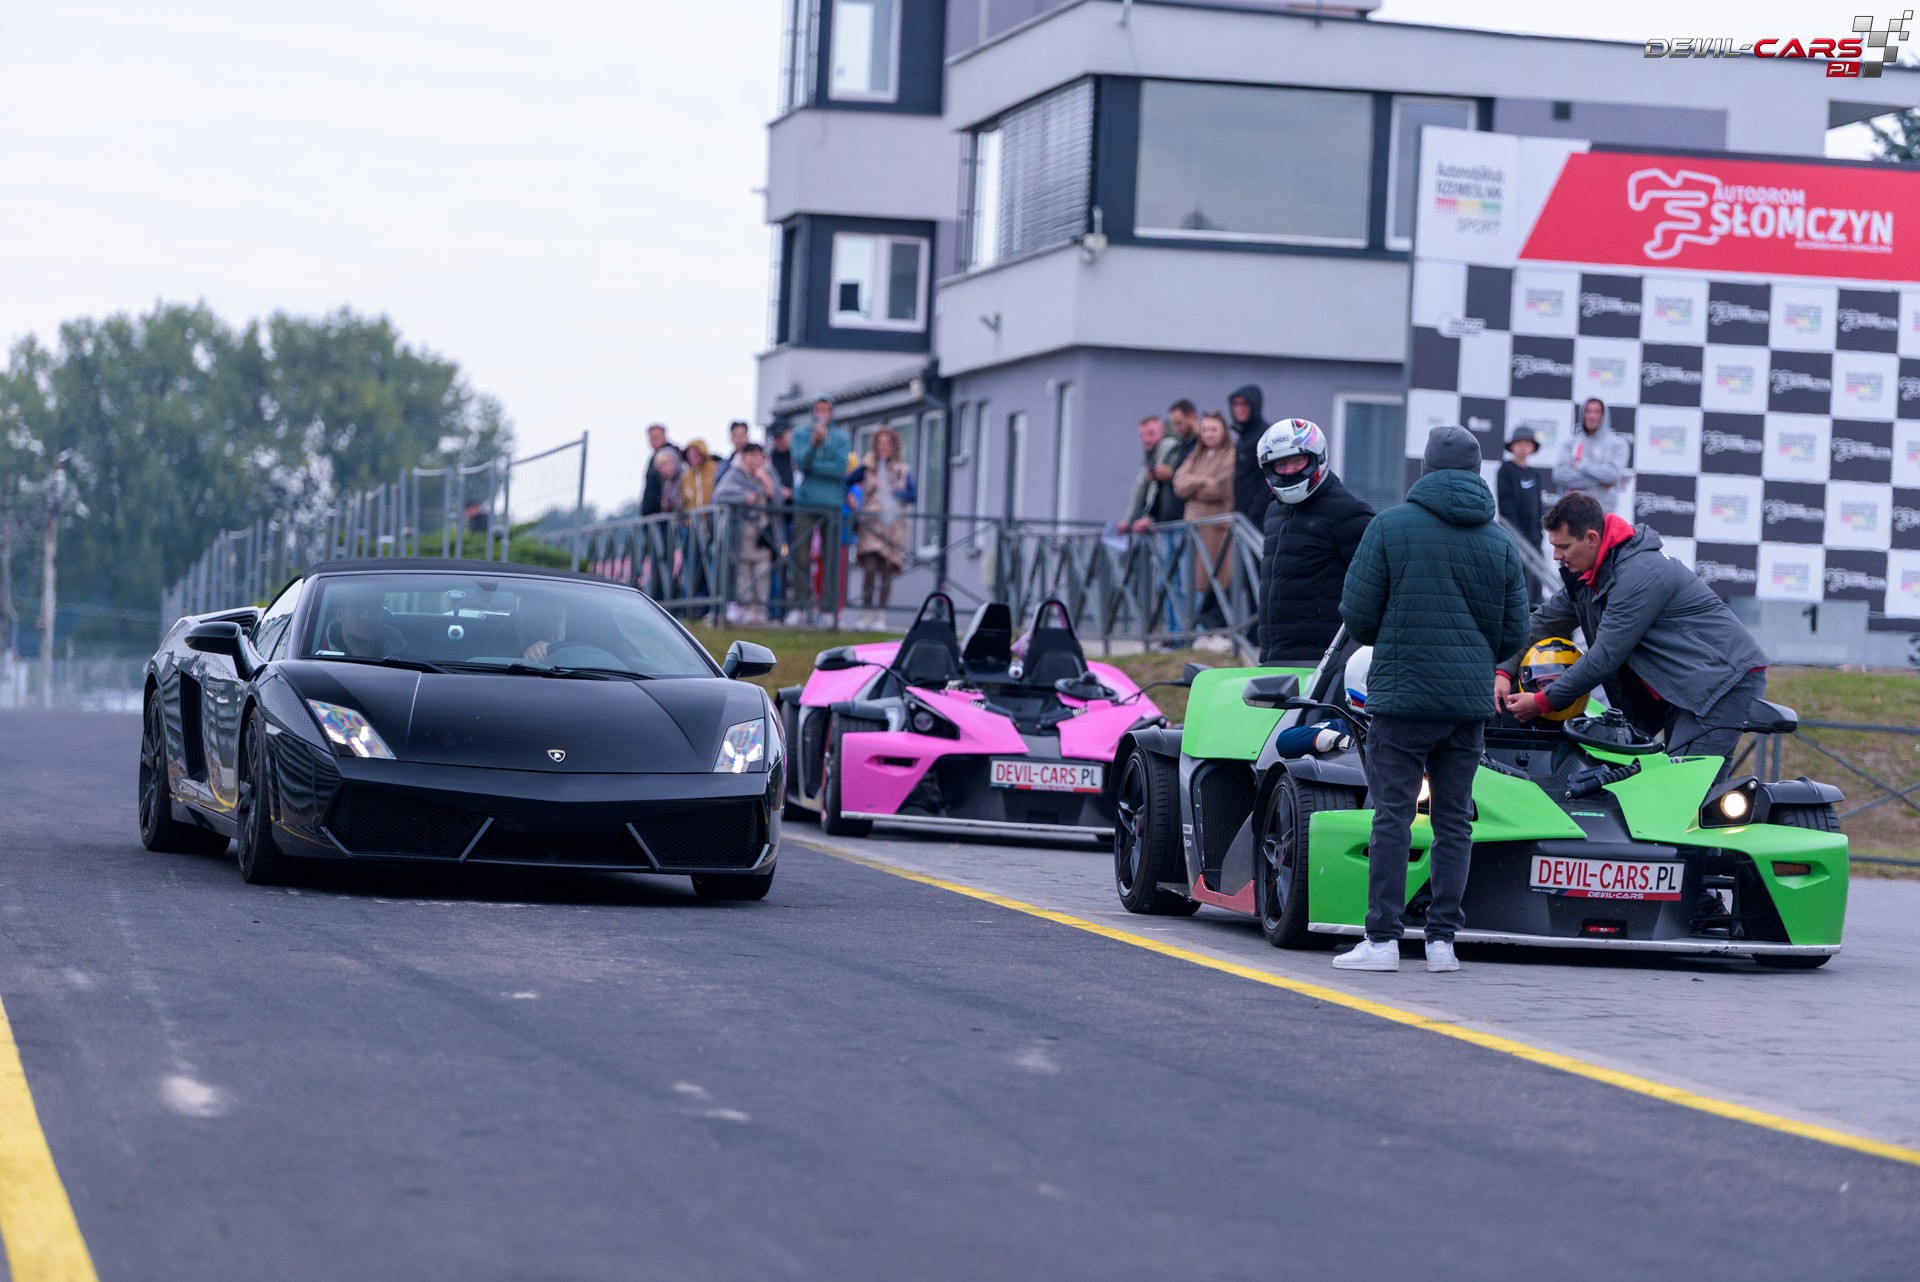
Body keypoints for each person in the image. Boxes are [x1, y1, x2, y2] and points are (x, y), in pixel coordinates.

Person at [1336, 425, 1531, 974]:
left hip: (1401, 698)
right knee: (1454, 821)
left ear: (1425, 470)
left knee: (1393, 818)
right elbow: (1516, 632)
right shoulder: (1499, 541)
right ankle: (1443, 942)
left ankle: (1382, 941)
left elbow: (1358, 617)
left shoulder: (1389, 525)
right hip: (1467, 705)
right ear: (1476, 472)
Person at [1498, 491, 1769, 772]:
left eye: (1563, 546)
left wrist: (1542, 701)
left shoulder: (1638, 574)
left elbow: (1603, 658)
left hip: (1721, 681)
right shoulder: (1592, 574)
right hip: (1690, 685)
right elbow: (1543, 623)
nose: (1556, 556)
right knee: (1677, 787)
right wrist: (1503, 670)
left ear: (1591, 538)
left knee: (1683, 786)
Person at [1254, 419, 1374, 664]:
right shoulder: (1275, 511)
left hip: (1325, 661)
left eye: (1297, 461)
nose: (1289, 470)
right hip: (1274, 657)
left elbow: (1378, 586)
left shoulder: (1348, 512)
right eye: (1281, 464)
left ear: (1317, 457)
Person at [789, 398, 853, 622]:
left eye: (827, 409)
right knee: (801, 556)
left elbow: (840, 468)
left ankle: (828, 610)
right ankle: (799, 606)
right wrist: (814, 445)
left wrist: (814, 467)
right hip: (805, 503)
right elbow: (800, 462)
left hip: (832, 503)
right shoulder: (800, 434)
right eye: (819, 409)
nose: (823, 412)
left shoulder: (842, 437)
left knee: (832, 558)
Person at [1172, 410, 1235, 630]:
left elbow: (1220, 488)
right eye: (1205, 429)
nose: (1209, 434)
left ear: (1223, 431)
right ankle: (1192, 630)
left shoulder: (1229, 455)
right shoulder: (1197, 455)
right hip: (1193, 529)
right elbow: (1179, 484)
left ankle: (1215, 630)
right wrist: (1204, 480)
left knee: (1216, 581)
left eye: (1213, 429)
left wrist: (1194, 486)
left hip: (1216, 530)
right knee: (1191, 581)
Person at [849, 426, 917, 630]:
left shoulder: (902, 470)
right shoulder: (867, 468)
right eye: (880, 444)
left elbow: (912, 495)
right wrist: (851, 499)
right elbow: (846, 482)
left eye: (887, 444)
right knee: (870, 568)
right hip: (870, 525)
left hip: (893, 526)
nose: (883, 447)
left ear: (894, 446)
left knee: (887, 570)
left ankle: (880, 617)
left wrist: (891, 492)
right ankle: (866, 614)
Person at [712, 441, 781, 624]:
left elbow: (777, 498)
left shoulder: (769, 472)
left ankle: (761, 610)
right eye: (751, 455)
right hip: (741, 536)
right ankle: (747, 610)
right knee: (744, 576)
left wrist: (764, 477)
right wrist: (744, 497)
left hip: (764, 536)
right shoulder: (735, 473)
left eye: (759, 455)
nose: (755, 459)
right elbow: (719, 495)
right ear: (743, 457)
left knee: (763, 573)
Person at [1554, 398, 1630, 515]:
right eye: (1587, 411)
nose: (1591, 416)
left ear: (1604, 415)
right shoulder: (1570, 444)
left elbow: (1613, 476)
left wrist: (1580, 466)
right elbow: (1559, 475)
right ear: (1582, 414)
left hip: (1602, 513)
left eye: (1596, 412)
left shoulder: (1618, 444)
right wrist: (1600, 482)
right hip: (1571, 513)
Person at [1498, 425, 1547, 601]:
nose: (1523, 446)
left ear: (1533, 447)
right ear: (1511, 446)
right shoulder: (1506, 470)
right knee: (1518, 579)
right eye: (1519, 442)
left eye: (1527, 443)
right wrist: (1516, 534)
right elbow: (1505, 504)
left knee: (1536, 580)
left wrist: (1538, 534)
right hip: (1514, 536)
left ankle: (1535, 612)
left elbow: (1538, 506)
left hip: (1534, 537)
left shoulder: (1535, 474)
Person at [1123, 416, 1180, 535]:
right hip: (1169, 516)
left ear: (1162, 430)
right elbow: (1141, 484)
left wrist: (1148, 517)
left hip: (1175, 516)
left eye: (1150, 433)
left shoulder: (1166, 445)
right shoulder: (1151, 452)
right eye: (1142, 435)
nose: (1146, 439)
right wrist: (1130, 520)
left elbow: (1154, 484)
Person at [1227, 385, 1272, 525]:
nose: (1239, 409)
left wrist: (1256, 508)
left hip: (1257, 517)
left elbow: (1269, 475)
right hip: (1241, 514)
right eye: (1235, 404)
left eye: (1244, 404)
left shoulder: (1265, 435)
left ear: (1255, 406)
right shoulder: (1243, 437)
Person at [329, 585, 405, 657]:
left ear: (382, 613)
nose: (367, 616)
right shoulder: (323, 656)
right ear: (339, 614)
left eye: (375, 607)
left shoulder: (404, 657)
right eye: (357, 608)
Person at [1161, 400, 1200, 519]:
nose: (1176, 428)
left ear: (1192, 416)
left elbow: (1198, 479)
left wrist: (1171, 476)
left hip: (1187, 517)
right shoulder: (1181, 445)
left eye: (1179, 423)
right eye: (1174, 424)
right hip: (1172, 516)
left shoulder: (1202, 446)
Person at [515, 597, 567, 665]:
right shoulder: (503, 662)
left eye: (557, 617)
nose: (549, 623)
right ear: (518, 623)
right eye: (539, 617)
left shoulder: (579, 662)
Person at [639, 423, 676, 517]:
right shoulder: (654, 457)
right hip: (653, 513)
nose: (653, 440)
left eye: (656, 436)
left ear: (664, 436)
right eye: (651, 438)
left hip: (664, 514)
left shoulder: (670, 454)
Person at [678, 439, 718, 510]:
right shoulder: (685, 477)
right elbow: (683, 502)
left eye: (696, 452)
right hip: (693, 516)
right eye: (689, 453)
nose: (692, 455)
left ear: (703, 452)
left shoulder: (716, 469)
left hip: (716, 515)